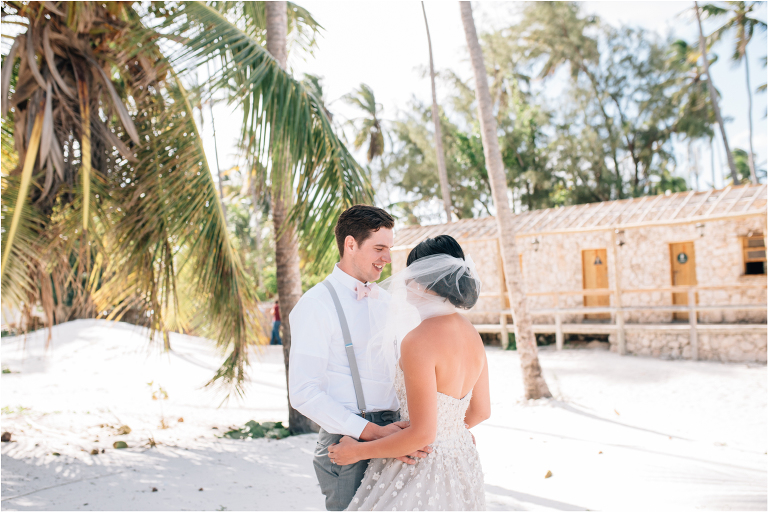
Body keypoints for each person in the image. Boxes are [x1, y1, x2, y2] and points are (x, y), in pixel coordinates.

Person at [328, 235, 490, 511]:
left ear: (427, 280)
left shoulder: (418, 341)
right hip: (462, 461)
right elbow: (481, 411)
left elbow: (422, 435)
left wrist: (356, 452)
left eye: (412, 273)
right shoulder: (472, 333)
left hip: (422, 465)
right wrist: (450, 434)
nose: (405, 282)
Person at [289, 205, 432, 511]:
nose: (387, 258)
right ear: (350, 244)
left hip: (398, 433)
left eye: (389, 248)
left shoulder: (389, 302)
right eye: (379, 248)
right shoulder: (315, 304)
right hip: (348, 439)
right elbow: (303, 392)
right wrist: (372, 433)